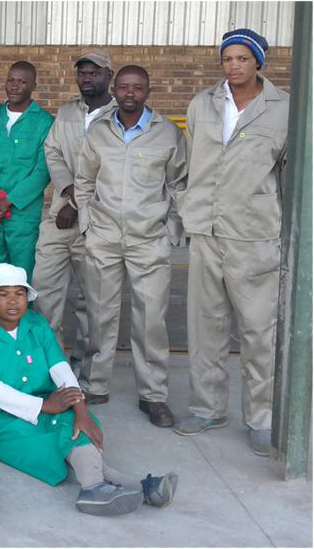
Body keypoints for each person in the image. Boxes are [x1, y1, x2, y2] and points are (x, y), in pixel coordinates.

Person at [0, 263, 178, 516]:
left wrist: (80, 409)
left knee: (74, 424)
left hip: (40, 401)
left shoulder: (36, 323)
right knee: (53, 436)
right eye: (3, 294)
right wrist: (45, 406)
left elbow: (59, 366)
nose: (13, 301)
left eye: (19, 293)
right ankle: (132, 486)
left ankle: (99, 487)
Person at [174, 29, 290, 456]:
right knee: (206, 326)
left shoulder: (283, 109)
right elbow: (190, 163)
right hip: (206, 230)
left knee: (259, 330)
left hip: (254, 234)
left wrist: (286, 231)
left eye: (242, 58)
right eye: (227, 58)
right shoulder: (203, 104)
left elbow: (288, 173)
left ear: (258, 61)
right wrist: (186, 206)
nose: (234, 66)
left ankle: (262, 418)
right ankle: (207, 408)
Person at [74, 65, 187, 428]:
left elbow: (179, 184)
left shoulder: (167, 133)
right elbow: (84, 179)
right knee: (99, 314)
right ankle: (95, 384)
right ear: (115, 88)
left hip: (149, 239)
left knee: (150, 320)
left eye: (137, 87)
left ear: (147, 90)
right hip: (104, 236)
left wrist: (171, 229)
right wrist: (88, 223)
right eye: (123, 86)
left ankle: (153, 395)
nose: (129, 93)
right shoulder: (99, 130)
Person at [32, 50, 116, 376]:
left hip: (98, 220)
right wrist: (68, 191)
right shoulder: (67, 112)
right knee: (44, 290)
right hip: (59, 215)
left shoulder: (119, 115)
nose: (87, 78)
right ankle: (51, 366)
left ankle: (85, 369)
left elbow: (112, 170)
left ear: (108, 76)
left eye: (94, 73)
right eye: (82, 73)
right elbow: (52, 151)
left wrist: (79, 203)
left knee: (92, 300)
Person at [0, 61, 54, 282]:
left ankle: (23, 308)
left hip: (22, 214)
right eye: (11, 80)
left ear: (34, 85)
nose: (14, 86)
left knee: (22, 276)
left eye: (22, 81)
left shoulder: (45, 122)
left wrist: (9, 200)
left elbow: (42, 170)